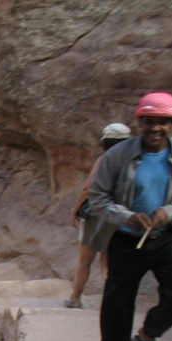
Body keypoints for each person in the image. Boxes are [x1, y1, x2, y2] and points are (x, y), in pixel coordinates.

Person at [89, 92, 172, 341]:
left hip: (167, 236)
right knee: (118, 300)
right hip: (126, 238)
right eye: (150, 121)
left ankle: (148, 334)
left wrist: (168, 212)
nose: (156, 128)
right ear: (140, 122)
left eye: (164, 122)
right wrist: (127, 217)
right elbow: (98, 198)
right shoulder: (117, 156)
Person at [64, 123, 132, 308]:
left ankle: (75, 299)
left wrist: (75, 211)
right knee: (107, 260)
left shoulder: (105, 159)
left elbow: (88, 189)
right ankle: (114, 301)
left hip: (98, 214)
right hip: (121, 215)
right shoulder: (134, 162)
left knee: (85, 260)